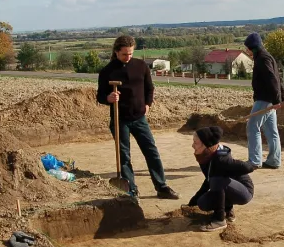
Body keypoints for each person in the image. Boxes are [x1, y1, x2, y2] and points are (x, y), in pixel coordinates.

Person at [97, 35, 179, 201]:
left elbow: (150, 88)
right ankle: (131, 190)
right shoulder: (107, 71)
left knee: (151, 152)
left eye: (130, 54)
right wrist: (109, 98)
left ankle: (161, 186)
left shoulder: (141, 66)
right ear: (116, 52)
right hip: (120, 119)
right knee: (124, 156)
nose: (128, 57)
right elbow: (100, 96)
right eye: (124, 54)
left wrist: (148, 104)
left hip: (139, 118)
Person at [187, 126, 255, 232]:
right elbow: (208, 179)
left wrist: (248, 166)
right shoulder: (206, 155)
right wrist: (193, 201)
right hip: (226, 186)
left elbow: (247, 167)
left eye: (195, 143)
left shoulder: (221, 159)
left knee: (217, 179)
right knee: (202, 203)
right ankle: (228, 210)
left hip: (244, 191)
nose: (192, 145)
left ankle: (219, 220)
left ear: (206, 145)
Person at [243, 32, 284, 169]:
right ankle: (274, 161)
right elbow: (277, 78)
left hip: (264, 99)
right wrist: (283, 98)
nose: (246, 51)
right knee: (271, 131)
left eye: (247, 48)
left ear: (252, 48)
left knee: (252, 127)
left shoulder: (262, 59)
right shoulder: (267, 57)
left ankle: (254, 161)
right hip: (270, 99)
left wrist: (276, 100)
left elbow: (272, 80)